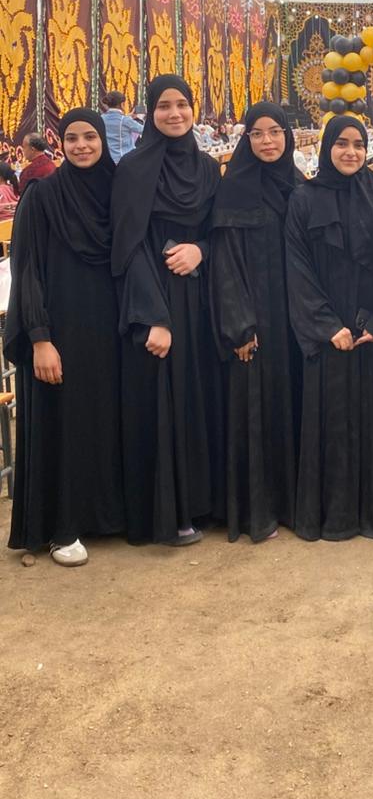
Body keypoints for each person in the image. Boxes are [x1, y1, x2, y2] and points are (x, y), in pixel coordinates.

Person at [4, 110, 124, 565]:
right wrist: (39, 338)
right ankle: (62, 527)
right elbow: (27, 270)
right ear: (60, 143)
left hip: (110, 333)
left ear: (103, 140)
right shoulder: (43, 196)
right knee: (65, 424)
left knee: (105, 421)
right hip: (59, 333)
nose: (82, 145)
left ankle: (108, 517)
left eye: (90, 136)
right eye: (72, 138)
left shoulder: (117, 193)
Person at [110, 75, 223, 546]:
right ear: (150, 112)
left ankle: (200, 503)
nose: (174, 114)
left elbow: (220, 231)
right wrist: (154, 315)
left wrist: (200, 250)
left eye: (182, 104)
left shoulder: (208, 169)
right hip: (153, 299)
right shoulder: (133, 169)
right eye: (164, 106)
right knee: (161, 400)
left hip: (198, 298)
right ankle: (166, 513)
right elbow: (127, 245)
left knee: (198, 395)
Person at [286, 115, 373, 540]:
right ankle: (335, 514)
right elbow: (297, 267)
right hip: (330, 333)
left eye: (358, 144)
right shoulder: (304, 200)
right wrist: (326, 325)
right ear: (327, 148)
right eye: (341, 143)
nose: (351, 152)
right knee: (332, 421)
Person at [209, 102, 302, 543]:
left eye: (275, 132)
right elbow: (225, 262)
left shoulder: (299, 185)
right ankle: (258, 511)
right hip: (256, 323)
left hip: (295, 321)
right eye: (258, 133)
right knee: (257, 409)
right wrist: (240, 325)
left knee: (293, 405)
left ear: (287, 135)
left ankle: (294, 503)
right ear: (246, 139)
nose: (268, 141)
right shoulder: (235, 189)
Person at [101, 90, 144, 162]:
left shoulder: (102, 118)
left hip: (108, 160)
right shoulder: (125, 120)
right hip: (124, 160)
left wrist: (129, 117)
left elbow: (117, 122)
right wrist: (142, 118)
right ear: (122, 104)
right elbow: (143, 130)